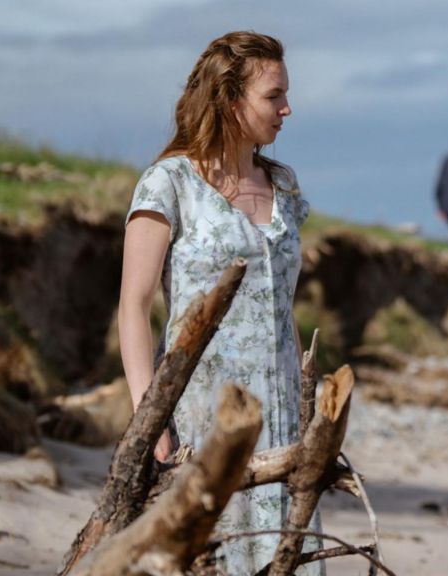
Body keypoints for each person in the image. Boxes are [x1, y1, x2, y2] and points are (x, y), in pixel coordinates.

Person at [118, 32, 321, 574]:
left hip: (283, 418)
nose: (287, 108)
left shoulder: (284, 185)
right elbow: (134, 305)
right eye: (273, 96)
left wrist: (309, 408)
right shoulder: (170, 183)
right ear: (231, 101)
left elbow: (282, 308)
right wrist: (148, 418)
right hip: (202, 418)